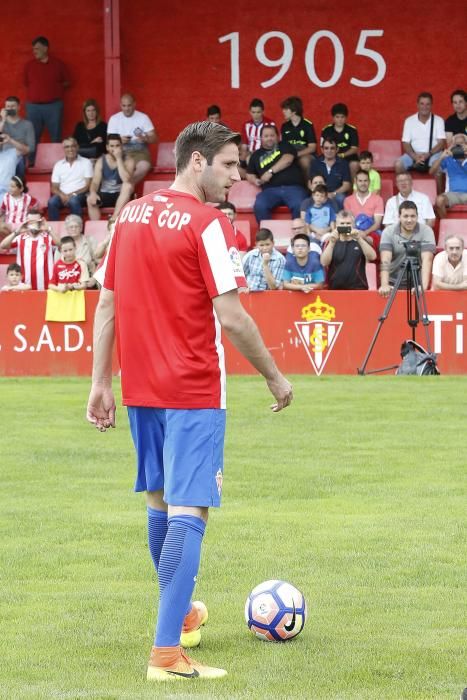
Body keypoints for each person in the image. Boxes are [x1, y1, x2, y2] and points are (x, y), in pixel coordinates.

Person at [86, 120, 292, 682]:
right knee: (189, 511)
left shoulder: (127, 217)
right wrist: (274, 376)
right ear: (196, 162)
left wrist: (101, 381)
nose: (237, 176)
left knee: (158, 505)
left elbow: (107, 303)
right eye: (228, 165)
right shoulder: (207, 223)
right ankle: (166, 657)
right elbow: (231, 316)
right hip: (195, 389)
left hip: (141, 389)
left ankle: (179, 621)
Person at [24, 36, 70, 165]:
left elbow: (67, 82)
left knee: (56, 136)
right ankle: (32, 164)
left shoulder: (58, 64)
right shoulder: (29, 65)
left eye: (37, 48)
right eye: (33, 49)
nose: (34, 51)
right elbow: (26, 83)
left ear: (46, 48)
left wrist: (53, 89)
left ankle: (57, 164)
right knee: (33, 136)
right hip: (33, 107)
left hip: (53, 106)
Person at [246, 125, 307, 222]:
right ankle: (266, 235)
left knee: (299, 205)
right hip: (270, 190)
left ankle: (298, 235)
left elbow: (288, 160)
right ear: (261, 138)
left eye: (272, 135)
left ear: (277, 136)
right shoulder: (256, 155)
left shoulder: (285, 145)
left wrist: (270, 172)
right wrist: (255, 180)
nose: (269, 138)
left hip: (293, 188)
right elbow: (249, 174)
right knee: (260, 205)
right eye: (266, 136)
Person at [378, 201, 436, 296]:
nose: (409, 220)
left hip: (417, 282)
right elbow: (385, 260)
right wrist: (384, 285)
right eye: (405, 216)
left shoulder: (426, 231)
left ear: (417, 217)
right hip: (393, 281)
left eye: (413, 216)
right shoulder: (388, 232)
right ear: (399, 217)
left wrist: (423, 286)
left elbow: (427, 259)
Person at [0, 212, 60, 290]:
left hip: (46, 284)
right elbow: (3, 246)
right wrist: (16, 232)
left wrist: (49, 229)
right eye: (31, 221)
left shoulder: (48, 237)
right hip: (24, 285)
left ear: (40, 221)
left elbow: (61, 244)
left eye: (36, 221)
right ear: (27, 222)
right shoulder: (20, 237)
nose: (34, 224)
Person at [107, 94, 158, 184]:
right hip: (120, 151)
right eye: (124, 106)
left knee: (144, 166)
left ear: (134, 104)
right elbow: (109, 141)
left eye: (129, 105)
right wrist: (120, 140)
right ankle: (127, 189)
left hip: (140, 151)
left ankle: (125, 187)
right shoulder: (114, 119)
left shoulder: (143, 117)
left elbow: (154, 138)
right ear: (120, 105)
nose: (126, 108)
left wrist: (145, 138)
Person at [320, 210, 376, 289]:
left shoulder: (360, 240)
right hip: (335, 289)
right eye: (342, 224)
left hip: (358, 288)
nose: (345, 226)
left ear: (353, 225)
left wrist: (359, 238)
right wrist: (332, 242)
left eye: (348, 223)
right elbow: (324, 262)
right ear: (336, 225)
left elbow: (372, 257)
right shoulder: (330, 241)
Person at [87, 134, 135, 221]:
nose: (114, 149)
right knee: (90, 199)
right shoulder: (101, 160)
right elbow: (95, 182)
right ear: (107, 147)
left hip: (122, 195)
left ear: (121, 146)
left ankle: (113, 219)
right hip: (106, 194)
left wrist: (119, 159)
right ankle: (97, 227)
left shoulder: (129, 160)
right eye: (112, 146)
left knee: (127, 186)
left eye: (117, 146)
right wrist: (93, 193)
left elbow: (126, 179)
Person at [395, 92, 446, 174]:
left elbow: (441, 143)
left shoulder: (439, 120)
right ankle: (408, 185)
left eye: (427, 104)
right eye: (422, 104)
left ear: (431, 105)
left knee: (437, 165)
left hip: (433, 154)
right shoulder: (409, 121)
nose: (424, 107)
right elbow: (405, 143)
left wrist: (428, 154)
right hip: (414, 154)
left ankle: (439, 187)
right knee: (398, 164)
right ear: (417, 105)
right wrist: (414, 156)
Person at [48, 137, 93, 220]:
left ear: (77, 147)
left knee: (73, 201)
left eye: (73, 146)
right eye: (67, 147)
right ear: (64, 149)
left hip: (80, 194)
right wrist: (62, 195)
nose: (70, 149)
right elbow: (54, 187)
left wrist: (72, 195)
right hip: (63, 195)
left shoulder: (86, 162)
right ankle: (54, 230)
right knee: (52, 202)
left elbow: (88, 186)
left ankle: (78, 231)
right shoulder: (58, 165)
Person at [429, 134, 467, 218]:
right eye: (456, 144)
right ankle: (446, 227)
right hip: (452, 194)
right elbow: (431, 172)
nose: (459, 146)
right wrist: (442, 157)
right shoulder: (448, 159)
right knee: (439, 200)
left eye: (461, 144)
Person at [280, 96, 317, 180]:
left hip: (306, 154)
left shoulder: (307, 125)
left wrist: (297, 154)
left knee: (304, 161)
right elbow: (283, 146)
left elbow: (312, 148)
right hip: (290, 153)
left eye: (286, 109)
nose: (283, 111)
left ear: (294, 111)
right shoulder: (284, 126)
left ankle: (309, 187)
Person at [0, 96, 35, 184]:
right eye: (8, 106)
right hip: (2, 156)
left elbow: (31, 149)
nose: (10, 109)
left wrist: (10, 140)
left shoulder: (27, 124)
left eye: (13, 106)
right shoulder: (2, 123)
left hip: (19, 156)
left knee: (15, 161)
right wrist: (2, 120)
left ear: (19, 107)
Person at [309, 138, 351, 211]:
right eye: (326, 148)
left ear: (337, 149)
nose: (329, 151)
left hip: (336, 194)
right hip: (319, 192)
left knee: (341, 198)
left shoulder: (343, 163)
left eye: (332, 148)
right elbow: (310, 183)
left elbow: (346, 185)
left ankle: (338, 219)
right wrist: (319, 193)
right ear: (322, 149)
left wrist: (333, 194)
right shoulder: (315, 163)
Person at [321, 103, 359, 178]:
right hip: (331, 156)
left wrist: (342, 155)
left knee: (354, 165)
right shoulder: (326, 130)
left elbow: (354, 149)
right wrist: (332, 156)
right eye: (337, 117)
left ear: (346, 118)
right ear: (333, 117)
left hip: (349, 157)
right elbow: (323, 148)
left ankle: (352, 188)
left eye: (342, 117)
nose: (340, 120)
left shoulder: (352, 130)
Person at [344, 169, 384, 239]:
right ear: (355, 182)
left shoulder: (378, 199)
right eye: (360, 181)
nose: (363, 183)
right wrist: (357, 233)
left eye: (365, 181)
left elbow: (377, 224)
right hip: (353, 232)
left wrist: (365, 233)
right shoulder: (348, 200)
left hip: (372, 232)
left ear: (369, 182)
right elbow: (349, 222)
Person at [240, 98, 275, 162]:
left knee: (250, 159)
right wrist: (243, 155)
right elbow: (244, 146)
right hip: (250, 154)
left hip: (266, 154)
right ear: (250, 112)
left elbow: (274, 144)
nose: (256, 115)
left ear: (263, 112)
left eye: (258, 112)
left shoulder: (270, 124)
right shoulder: (246, 125)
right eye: (253, 112)